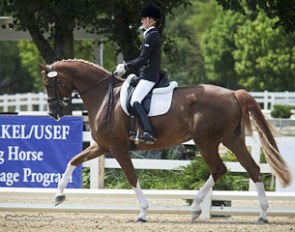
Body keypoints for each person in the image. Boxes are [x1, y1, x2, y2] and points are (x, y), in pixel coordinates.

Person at [115, 4, 162, 144]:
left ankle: (148, 131)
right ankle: (132, 129)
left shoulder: (152, 36)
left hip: (149, 76)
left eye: (143, 19)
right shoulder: (150, 35)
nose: (141, 22)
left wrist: (126, 66)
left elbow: (143, 59)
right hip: (145, 75)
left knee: (135, 101)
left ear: (150, 20)